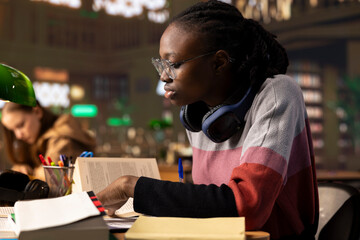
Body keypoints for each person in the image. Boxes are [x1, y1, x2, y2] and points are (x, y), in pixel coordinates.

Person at [97, 1, 319, 239]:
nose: (163, 76)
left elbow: (247, 208)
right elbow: (210, 202)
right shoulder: (198, 114)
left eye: (174, 64)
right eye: (161, 64)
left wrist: (131, 186)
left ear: (218, 63)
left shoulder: (276, 94)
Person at [1, 101, 96, 180]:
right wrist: (22, 168)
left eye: (21, 125)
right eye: (13, 130)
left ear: (37, 112)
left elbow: (51, 180)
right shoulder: (37, 140)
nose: (18, 135)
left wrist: (24, 175)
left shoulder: (63, 139)